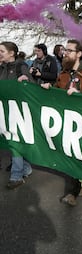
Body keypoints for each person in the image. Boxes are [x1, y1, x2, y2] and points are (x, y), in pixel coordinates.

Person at [41, 39, 82, 206]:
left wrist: (79, 93)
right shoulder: (63, 74)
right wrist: (49, 89)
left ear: (79, 54)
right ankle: (73, 192)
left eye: (69, 50)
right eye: (65, 50)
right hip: (67, 122)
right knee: (71, 155)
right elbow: (58, 93)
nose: (65, 53)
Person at [0, 41, 32, 189]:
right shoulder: (2, 68)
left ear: (11, 53)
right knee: (9, 140)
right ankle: (24, 167)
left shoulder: (21, 66)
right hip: (4, 111)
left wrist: (25, 80)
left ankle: (17, 175)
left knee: (15, 142)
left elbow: (29, 83)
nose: (0, 54)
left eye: (2, 51)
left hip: (18, 112)